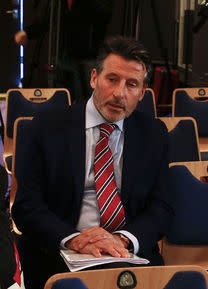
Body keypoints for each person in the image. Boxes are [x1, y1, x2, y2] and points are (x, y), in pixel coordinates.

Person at [12, 36, 173, 289]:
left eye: (131, 84)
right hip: (59, 256)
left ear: (142, 93)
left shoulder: (154, 133)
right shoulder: (44, 128)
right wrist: (76, 239)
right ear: (94, 78)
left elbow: (163, 207)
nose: (119, 93)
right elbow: (26, 207)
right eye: (112, 79)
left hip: (128, 256)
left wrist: (122, 239)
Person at [15, 0, 114, 103]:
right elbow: (49, 19)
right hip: (65, 56)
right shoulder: (59, 2)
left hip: (89, 57)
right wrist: (27, 33)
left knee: (88, 99)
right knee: (65, 98)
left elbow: (104, 13)